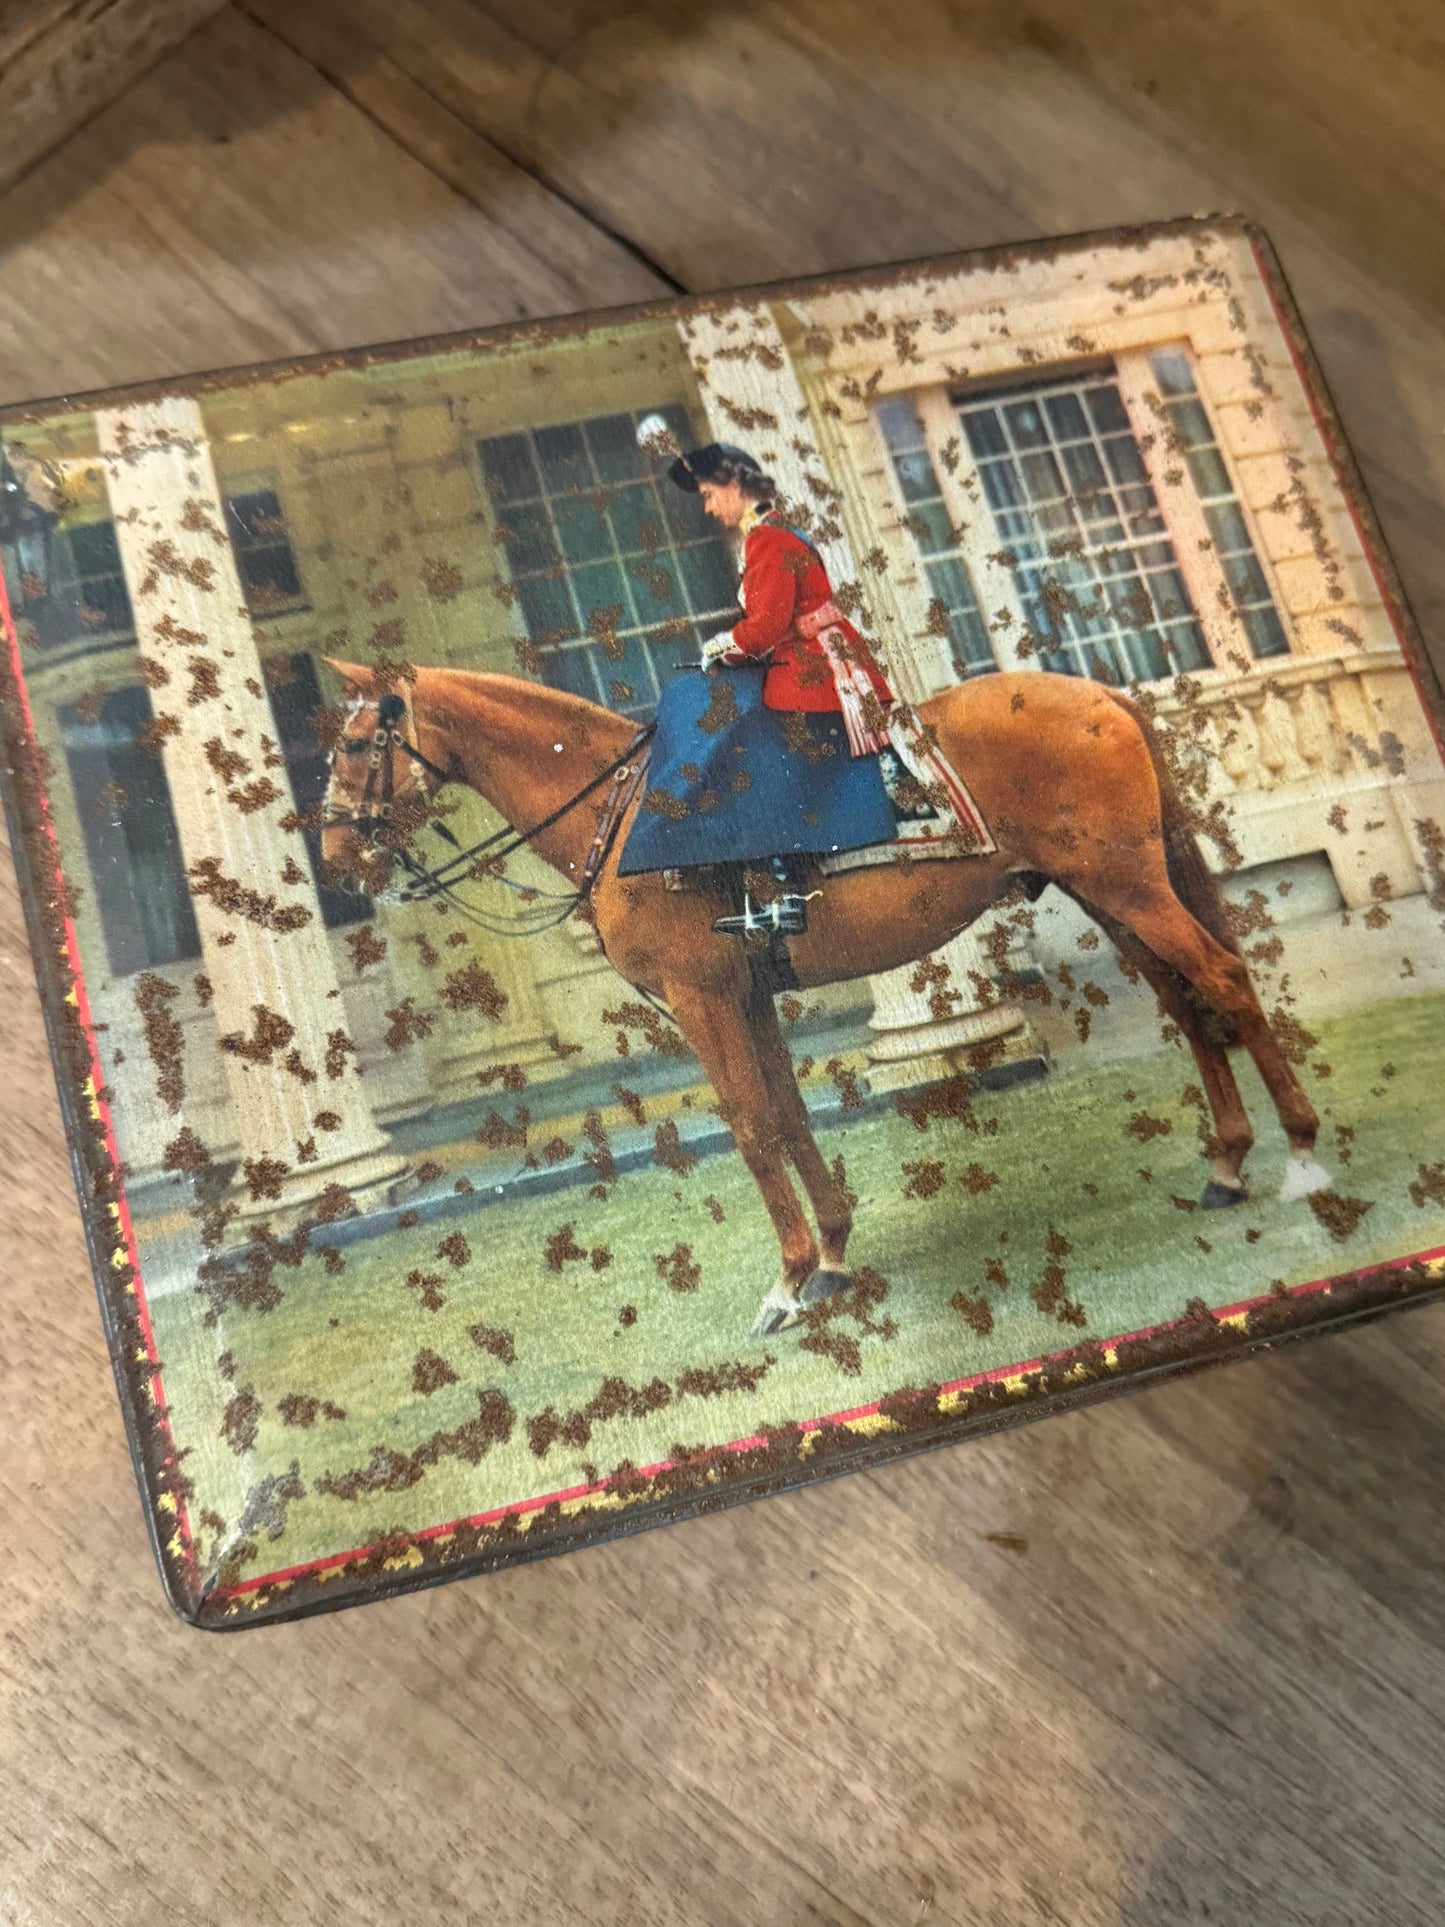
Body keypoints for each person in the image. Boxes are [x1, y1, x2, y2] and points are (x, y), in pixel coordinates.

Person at [666, 441, 896, 937]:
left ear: (733, 484)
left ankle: (785, 895)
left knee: (755, 759)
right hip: (815, 666)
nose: (708, 507)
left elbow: (766, 626)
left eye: (708, 493)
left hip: (814, 674)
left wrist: (721, 646)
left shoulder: (767, 540)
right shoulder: (774, 532)